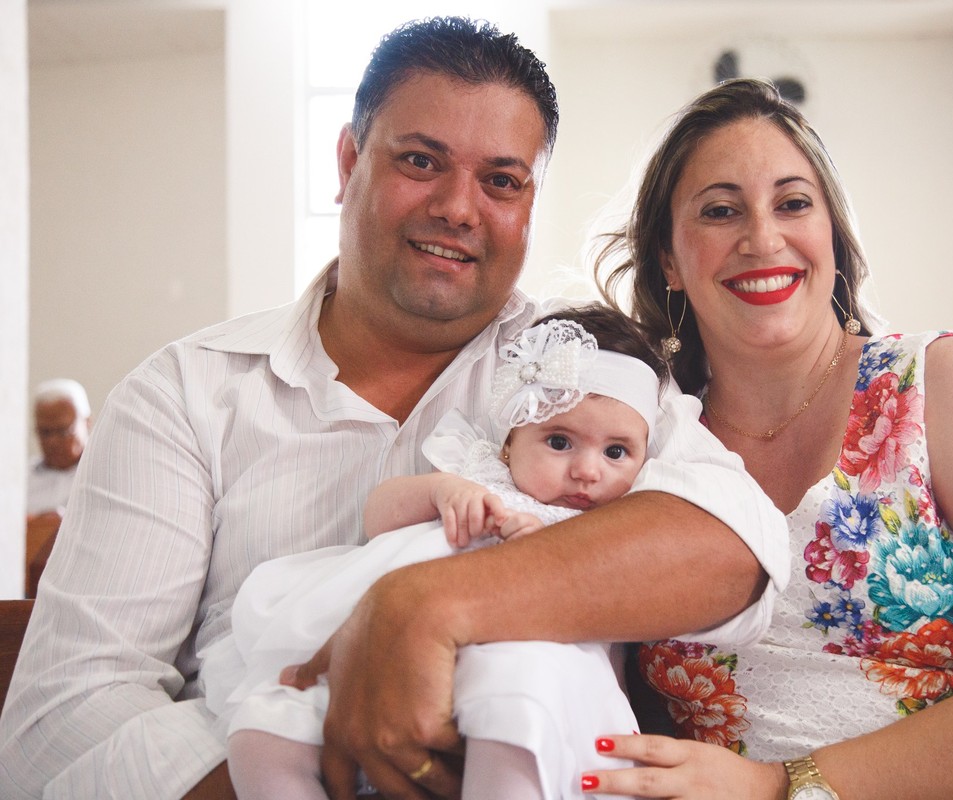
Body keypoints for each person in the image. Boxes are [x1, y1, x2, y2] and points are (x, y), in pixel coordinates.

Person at [0, 19, 788, 800]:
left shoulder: (592, 368)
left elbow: (735, 546)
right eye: (421, 161)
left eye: (502, 181)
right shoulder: (185, 394)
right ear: (348, 161)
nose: (458, 207)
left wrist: (422, 607)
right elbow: (58, 729)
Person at [581, 78, 953, 800]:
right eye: (720, 211)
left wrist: (781, 788)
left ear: (833, 238)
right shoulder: (638, 443)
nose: (762, 237)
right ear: (667, 261)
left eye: (792, 203)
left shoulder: (947, 387)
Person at [203, 306, 710, 800]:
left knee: (516, 727)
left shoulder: (620, 525)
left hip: (520, 666)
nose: (587, 471)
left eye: (616, 452)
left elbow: (613, 647)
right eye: (559, 441)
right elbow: (378, 520)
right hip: (376, 645)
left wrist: (552, 558)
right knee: (261, 735)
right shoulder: (475, 475)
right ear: (510, 442)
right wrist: (440, 493)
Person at [25, 378, 91, 596]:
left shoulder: (102, 473)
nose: (52, 442)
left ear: (87, 423)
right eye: (45, 432)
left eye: (63, 431)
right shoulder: (19, 481)